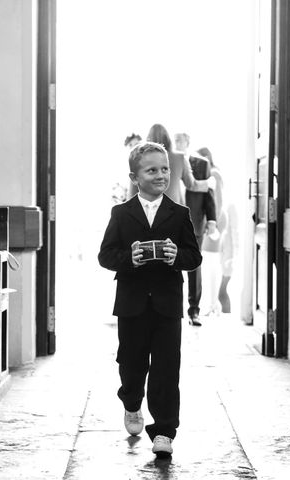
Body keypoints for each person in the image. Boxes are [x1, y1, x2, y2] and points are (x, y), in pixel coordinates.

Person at [98, 141, 202, 457]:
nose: (161, 175)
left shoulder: (179, 213)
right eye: (152, 170)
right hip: (131, 303)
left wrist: (176, 256)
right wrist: (128, 258)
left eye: (165, 169)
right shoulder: (121, 213)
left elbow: (193, 256)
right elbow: (105, 255)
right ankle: (131, 403)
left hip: (168, 304)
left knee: (167, 368)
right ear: (135, 176)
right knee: (131, 364)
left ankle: (165, 431)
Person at [176, 133, 217, 326]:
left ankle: (194, 310)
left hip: (195, 222)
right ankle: (173, 309)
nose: (177, 144)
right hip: (172, 223)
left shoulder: (201, 164)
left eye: (180, 141)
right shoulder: (166, 161)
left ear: (187, 143)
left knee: (193, 265)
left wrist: (212, 220)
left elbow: (209, 194)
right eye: (174, 141)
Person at [127, 124, 215, 205]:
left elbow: (131, 194)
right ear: (168, 138)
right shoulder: (180, 158)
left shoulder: (139, 159)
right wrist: (208, 183)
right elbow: (191, 185)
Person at [197, 147, 238, 315]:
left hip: (215, 221)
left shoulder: (214, 174)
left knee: (212, 263)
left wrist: (210, 223)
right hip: (213, 220)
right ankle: (211, 304)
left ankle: (213, 305)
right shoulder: (213, 174)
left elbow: (218, 202)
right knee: (208, 263)